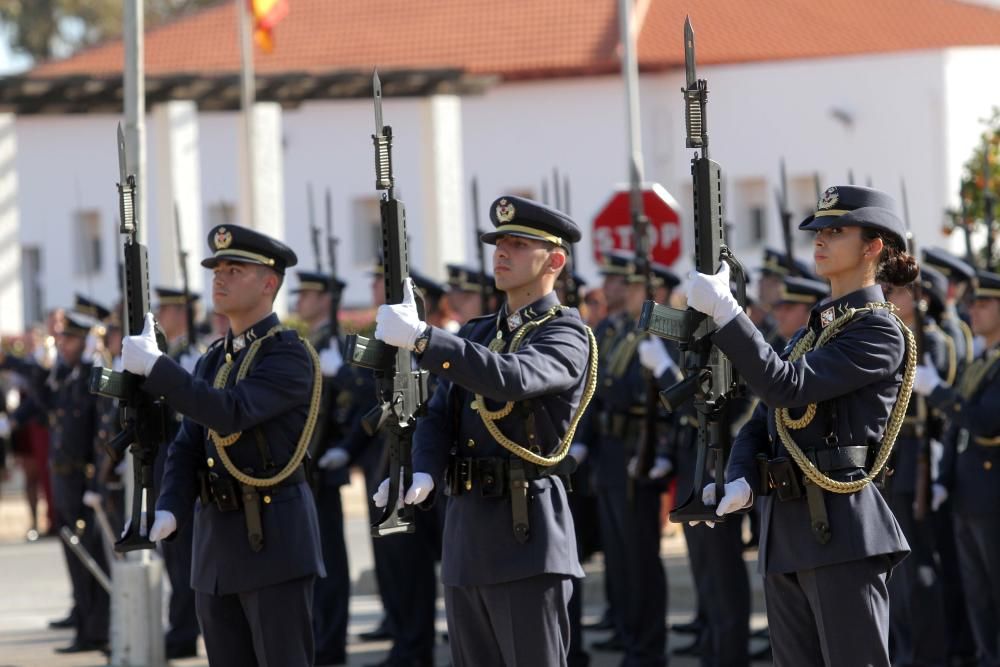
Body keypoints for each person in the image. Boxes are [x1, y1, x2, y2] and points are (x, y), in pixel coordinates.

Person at [685, 185, 917, 666]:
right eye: (818, 230)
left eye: (836, 231)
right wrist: (740, 477)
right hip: (786, 533)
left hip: (840, 531)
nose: (820, 240)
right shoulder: (815, 330)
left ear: (873, 246)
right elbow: (761, 424)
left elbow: (784, 388)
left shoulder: (878, 330)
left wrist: (730, 313)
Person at [372, 195, 594, 667]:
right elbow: (437, 415)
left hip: (526, 538)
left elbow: (512, 378)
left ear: (555, 260)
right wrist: (422, 472)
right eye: (498, 243)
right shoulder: (477, 333)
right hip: (466, 538)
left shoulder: (566, 334)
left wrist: (424, 338)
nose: (501, 252)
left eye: (517, 243)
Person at [121, 224, 326, 667]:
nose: (220, 277)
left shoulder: (288, 354)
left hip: (272, 544)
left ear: (269, 282)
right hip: (216, 548)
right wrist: (170, 506)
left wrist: (158, 368)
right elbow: (187, 443)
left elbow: (229, 411)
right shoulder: (215, 357)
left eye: (235, 269)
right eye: (217, 269)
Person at [914, 268, 1000, 667]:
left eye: (984, 303)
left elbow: (984, 420)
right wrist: (943, 479)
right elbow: (954, 432)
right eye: (973, 303)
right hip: (966, 493)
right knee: (976, 595)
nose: (974, 311)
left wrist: (939, 391)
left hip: (992, 495)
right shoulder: (978, 360)